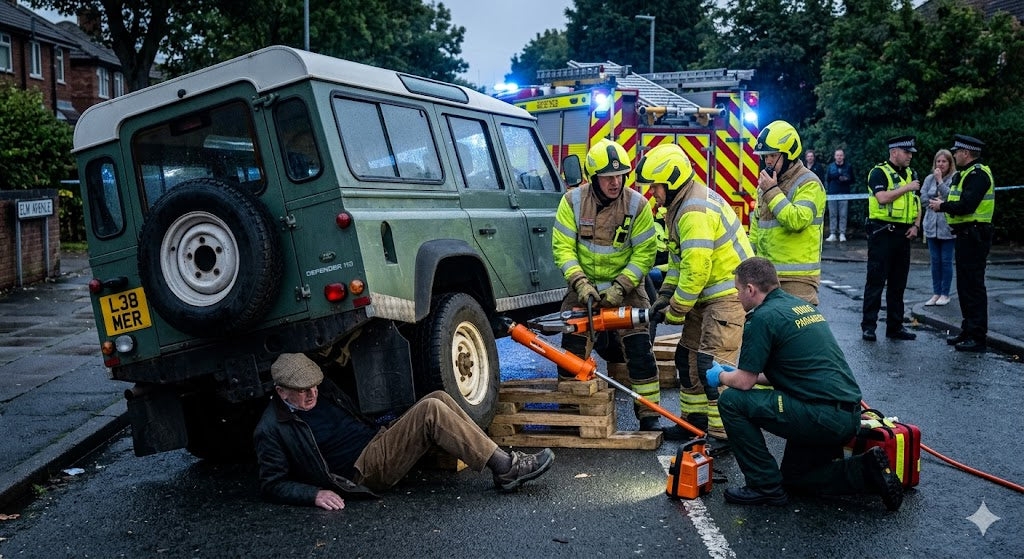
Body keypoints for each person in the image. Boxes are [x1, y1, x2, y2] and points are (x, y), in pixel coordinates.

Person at [709, 257, 903, 510]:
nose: (737, 296)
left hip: (819, 415)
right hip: (845, 416)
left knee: (731, 401)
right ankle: (866, 471)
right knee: (795, 480)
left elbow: (744, 383)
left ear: (750, 289)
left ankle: (763, 487)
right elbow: (789, 373)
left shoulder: (762, 318)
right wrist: (740, 374)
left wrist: (720, 376)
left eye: (737, 290)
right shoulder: (799, 306)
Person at [253, 353, 555, 509]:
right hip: (363, 469)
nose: (312, 394)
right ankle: (506, 468)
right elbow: (272, 484)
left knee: (438, 397)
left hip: (376, 440)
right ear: (281, 392)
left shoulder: (319, 392)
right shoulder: (270, 429)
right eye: (302, 390)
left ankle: (497, 458)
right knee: (430, 412)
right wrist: (314, 494)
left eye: (314, 386)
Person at [635, 143, 751, 441]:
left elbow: (696, 270)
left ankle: (725, 433)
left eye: (655, 186)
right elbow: (679, 262)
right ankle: (695, 422)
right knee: (686, 358)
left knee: (713, 367)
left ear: (672, 181)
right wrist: (665, 295)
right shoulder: (679, 206)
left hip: (726, 297)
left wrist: (675, 311)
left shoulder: (692, 211)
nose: (652, 192)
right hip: (704, 297)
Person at [552, 138, 661, 430]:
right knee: (571, 353)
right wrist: (580, 284)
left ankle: (649, 415)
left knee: (640, 351)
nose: (616, 182)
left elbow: (644, 253)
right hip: (582, 291)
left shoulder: (637, 205)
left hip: (626, 291)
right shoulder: (572, 202)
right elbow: (563, 248)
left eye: (620, 175)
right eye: (608, 177)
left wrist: (620, 287)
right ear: (593, 177)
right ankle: (569, 411)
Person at [928, 134, 995, 353]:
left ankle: (977, 336)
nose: (955, 155)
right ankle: (968, 330)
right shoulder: (964, 174)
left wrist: (942, 207)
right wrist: (945, 203)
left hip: (975, 235)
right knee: (965, 287)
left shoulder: (978, 174)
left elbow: (967, 205)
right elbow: (956, 200)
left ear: (966, 153)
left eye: (957, 152)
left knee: (973, 287)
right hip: (965, 235)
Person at [749, 120, 826, 305]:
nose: (767, 161)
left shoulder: (809, 183)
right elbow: (757, 229)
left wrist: (771, 191)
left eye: (773, 155)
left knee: (795, 324)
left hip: (797, 279)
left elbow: (797, 220)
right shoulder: (767, 185)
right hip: (766, 276)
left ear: (789, 154)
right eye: (765, 156)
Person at [861, 136, 922, 342]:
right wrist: (907, 187)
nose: (910, 156)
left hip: (903, 234)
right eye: (907, 152)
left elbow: (916, 203)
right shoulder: (879, 172)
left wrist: (916, 225)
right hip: (882, 233)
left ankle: (895, 327)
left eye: (911, 152)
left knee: (898, 284)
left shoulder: (911, 173)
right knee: (876, 281)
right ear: (894, 152)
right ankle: (869, 326)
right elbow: (882, 198)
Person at [920, 149, 957, 307]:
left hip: (947, 228)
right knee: (935, 262)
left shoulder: (955, 178)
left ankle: (945, 294)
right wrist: (937, 201)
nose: (940, 164)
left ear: (950, 163)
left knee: (946, 261)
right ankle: (936, 293)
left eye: (944, 161)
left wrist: (940, 182)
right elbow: (922, 199)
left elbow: (951, 198)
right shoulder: (929, 179)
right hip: (931, 226)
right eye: (938, 161)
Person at [825, 148, 854, 242]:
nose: (839, 157)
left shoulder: (848, 166)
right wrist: (828, 191)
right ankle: (832, 234)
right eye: (837, 155)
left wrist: (846, 179)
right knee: (832, 214)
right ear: (834, 156)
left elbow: (853, 180)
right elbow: (827, 180)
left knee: (843, 215)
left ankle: (842, 233)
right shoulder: (830, 167)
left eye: (841, 155)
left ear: (843, 156)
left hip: (844, 194)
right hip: (832, 194)